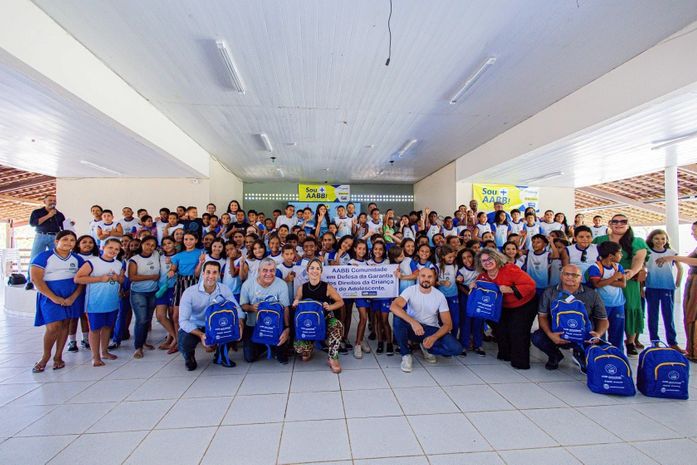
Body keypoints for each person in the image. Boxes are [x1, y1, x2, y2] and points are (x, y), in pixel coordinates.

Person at [532, 264, 608, 371]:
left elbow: (603, 319)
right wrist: (551, 335)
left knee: (597, 341)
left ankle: (581, 355)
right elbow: (542, 316)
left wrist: (598, 334)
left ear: (581, 278)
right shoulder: (549, 292)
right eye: (567, 274)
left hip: (583, 335)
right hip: (557, 333)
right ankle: (555, 356)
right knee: (537, 337)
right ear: (561, 275)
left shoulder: (592, 294)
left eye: (575, 275)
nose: (570, 277)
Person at [593, 214, 649, 355]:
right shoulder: (600, 240)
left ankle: (630, 341)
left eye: (623, 221)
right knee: (604, 310)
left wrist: (631, 273)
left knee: (630, 308)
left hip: (628, 280)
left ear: (628, 224)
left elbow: (639, 261)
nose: (619, 224)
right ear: (610, 224)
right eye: (615, 221)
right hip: (603, 278)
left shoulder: (637, 241)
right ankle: (601, 341)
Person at [29, 230, 84, 372]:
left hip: (70, 297)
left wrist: (73, 297)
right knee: (53, 327)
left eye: (72, 240)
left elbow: (82, 281)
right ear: (56, 241)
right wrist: (55, 298)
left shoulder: (77, 259)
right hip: (50, 296)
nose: (68, 242)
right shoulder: (43, 257)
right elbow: (37, 280)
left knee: (65, 324)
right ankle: (45, 357)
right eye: (65, 239)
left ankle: (58, 356)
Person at [390, 268, 463, 373]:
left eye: (430, 277)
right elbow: (393, 306)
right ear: (419, 277)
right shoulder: (410, 290)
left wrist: (434, 337)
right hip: (413, 329)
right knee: (397, 319)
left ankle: (428, 348)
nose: (426, 279)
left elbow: (448, 324)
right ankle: (405, 354)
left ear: (434, 279)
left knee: (456, 349)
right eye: (423, 276)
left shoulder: (439, 296)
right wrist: (413, 322)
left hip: (430, 330)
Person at [474, 247, 537, 369]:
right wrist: (474, 286)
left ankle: (520, 362)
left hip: (524, 303)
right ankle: (505, 353)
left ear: (497, 259)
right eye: (483, 260)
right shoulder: (482, 276)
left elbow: (531, 284)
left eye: (490, 258)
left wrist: (511, 289)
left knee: (518, 331)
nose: (487, 262)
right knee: (500, 329)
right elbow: (481, 290)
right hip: (504, 306)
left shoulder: (510, 269)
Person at [178, 261, 244, 370]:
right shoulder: (189, 292)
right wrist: (201, 335)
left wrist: (240, 324)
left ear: (218, 275)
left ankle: (221, 355)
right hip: (197, 326)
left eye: (214, 273)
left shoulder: (224, 289)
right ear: (203, 274)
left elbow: (237, 310)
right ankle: (189, 357)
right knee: (184, 339)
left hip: (216, 325)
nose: (211, 276)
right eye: (208, 272)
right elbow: (183, 321)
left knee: (234, 327)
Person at [74, 238, 124, 366]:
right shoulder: (92, 262)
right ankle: (95, 357)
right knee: (95, 329)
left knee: (107, 327)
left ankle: (105, 352)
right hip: (95, 303)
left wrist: (117, 278)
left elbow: (122, 280)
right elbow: (78, 279)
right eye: (110, 248)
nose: (113, 251)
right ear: (103, 248)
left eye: (117, 249)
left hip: (112, 302)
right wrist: (100, 278)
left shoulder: (118, 264)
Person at [292, 258, 345, 372]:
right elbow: (296, 302)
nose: (314, 271)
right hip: (308, 324)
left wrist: (329, 307)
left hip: (324, 320)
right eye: (312, 268)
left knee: (337, 325)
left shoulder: (327, 287)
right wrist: (295, 303)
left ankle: (332, 357)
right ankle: (309, 347)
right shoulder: (302, 288)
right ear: (307, 270)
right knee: (302, 353)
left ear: (321, 271)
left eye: (317, 268)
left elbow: (340, 302)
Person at [656, 221, 697, 361]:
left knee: (693, 316)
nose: (693, 234)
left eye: (695, 231)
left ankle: (694, 351)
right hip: (692, 281)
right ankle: (692, 349)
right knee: (690, 315)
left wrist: (673, 257)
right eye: (692, 231)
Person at [239, 257, 291, 364]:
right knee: (249, 357)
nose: (268, 273)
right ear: (259, 271)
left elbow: (285, 307)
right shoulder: (247, 284)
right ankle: (264, 344)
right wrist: (251, 308)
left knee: (283, 357)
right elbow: (243, 306)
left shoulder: (281, 284)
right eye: (265, 270)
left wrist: (287, 328)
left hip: (275, 325)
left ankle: (271, 344)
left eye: (272, 270)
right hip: (253, 324)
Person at [644, 229, 684, 352]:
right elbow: (642, 269)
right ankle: (654, 341)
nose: (660, 241)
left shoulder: (671, 252)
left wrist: (678, 282)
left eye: (663, 238)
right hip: (652, 287)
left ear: (666, 240)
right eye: (656, 238)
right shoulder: (648, 253)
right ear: (651, 239)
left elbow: (680, 268)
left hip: (667, 287)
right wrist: (641, 287)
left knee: (668, 315)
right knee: (653, 315)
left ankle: (673, 342)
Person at [587, 241, 627, 352]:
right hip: (601, 305)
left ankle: (617, 355)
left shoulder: (618, 267)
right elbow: (596, 284)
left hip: (618, 304)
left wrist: (604, 280)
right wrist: (614, 278)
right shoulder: (595, 267)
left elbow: (623, 284)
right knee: (600, 332)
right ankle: (601, 356)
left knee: (617, 332)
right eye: (619, 253)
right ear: (610, 255)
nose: (621, 255)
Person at [128, 237, 161, 359]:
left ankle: (143, 341)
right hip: (138, 292)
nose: (150, 247)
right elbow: (132, 277)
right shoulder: (134, 260)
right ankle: (138, 347)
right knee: (141, 319)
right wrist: (151, 277)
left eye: (153, 245)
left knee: (147, 319)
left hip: (152, 292)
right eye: (147, 244)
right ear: (141, 244)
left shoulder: (156, 254)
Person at [26, 194, 66, 290]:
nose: (52, 202)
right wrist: (49, 215)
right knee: (34, 258)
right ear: (44, 202)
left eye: (54, 200)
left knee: (56, 258)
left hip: (55, 237)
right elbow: (33, 223)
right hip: (41, 236)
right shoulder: (37, 212)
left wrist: (70, 224)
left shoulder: (59, 214)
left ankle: (54, 279)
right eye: (50, 200)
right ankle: (30, 281)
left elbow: (63, 226)